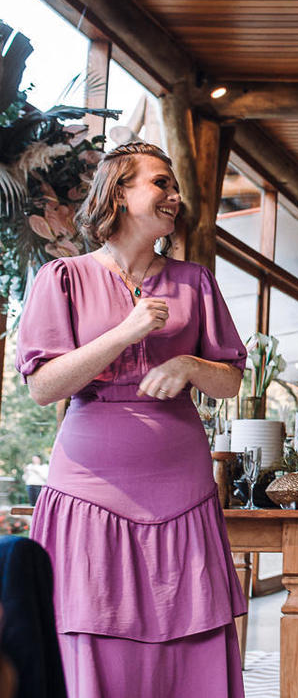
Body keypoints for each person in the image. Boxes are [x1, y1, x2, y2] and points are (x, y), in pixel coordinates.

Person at [16, 142, 247, 697]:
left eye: (174, 186)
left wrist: (189, 364)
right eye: (160, 183)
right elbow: (44, 386)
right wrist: (126, 331)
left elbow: (231, 381)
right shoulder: (63, 278)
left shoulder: (196, 281)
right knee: (92, 630)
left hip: (183, 492)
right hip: (89, 491)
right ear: (119, 192)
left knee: (191, 635)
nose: (174, 196)